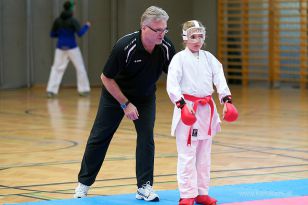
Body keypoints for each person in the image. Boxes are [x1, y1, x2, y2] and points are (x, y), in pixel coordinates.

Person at [74, 6, 176, 202]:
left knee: (146, 138)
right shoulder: (125, 46)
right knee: (99, 137)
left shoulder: (166, 47)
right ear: (144, 28)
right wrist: (125, 104)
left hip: (145, 97)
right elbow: (105, 77)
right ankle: (83, 184)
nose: (162, 34)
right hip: (115, 96)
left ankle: (144, 187)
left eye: (165, 29)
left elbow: (174, 74)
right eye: (158, 30)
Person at [166, 20, 235, 205]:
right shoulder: (179, 58)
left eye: (200, 36)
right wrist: (181, 105)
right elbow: (172, 83)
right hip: (188, 109)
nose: (197, 40)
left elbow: (219, 78)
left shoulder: (209, 58)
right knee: (187, 155)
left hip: (206, 110)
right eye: (193, 37)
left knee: (204, 155)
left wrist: (226, 100)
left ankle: (202, 192)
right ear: (185, 38)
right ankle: (187, 194)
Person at [46, 0, 91, 97]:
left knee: (56, 69)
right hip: (72, 47)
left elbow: (52, 34)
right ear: (71, 8)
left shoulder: (57, 20)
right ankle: (83, 90)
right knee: (80, 68)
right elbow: (80, 33)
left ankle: (51, 91)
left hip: (60, 47)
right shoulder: (73, 20)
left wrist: (62, 35)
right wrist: (86, 26)